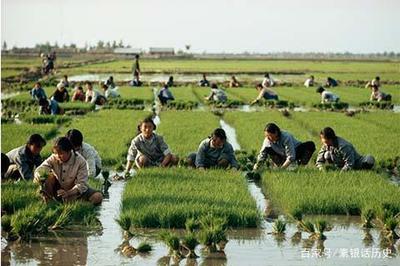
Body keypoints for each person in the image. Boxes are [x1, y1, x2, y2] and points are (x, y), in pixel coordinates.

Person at [34, 137, 103, 205]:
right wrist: (39, 175)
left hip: (74, 191)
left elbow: (82, 184)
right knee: (48, 177)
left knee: (98, 197)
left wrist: (68, 193)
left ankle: (79, 205)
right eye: (56, 153)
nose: (58, 156)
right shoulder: (54, 157)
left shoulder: (80, 161)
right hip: (58, 190)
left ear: (69, 151)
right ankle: (50, 201)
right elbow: (41, 168)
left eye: (61, 153)